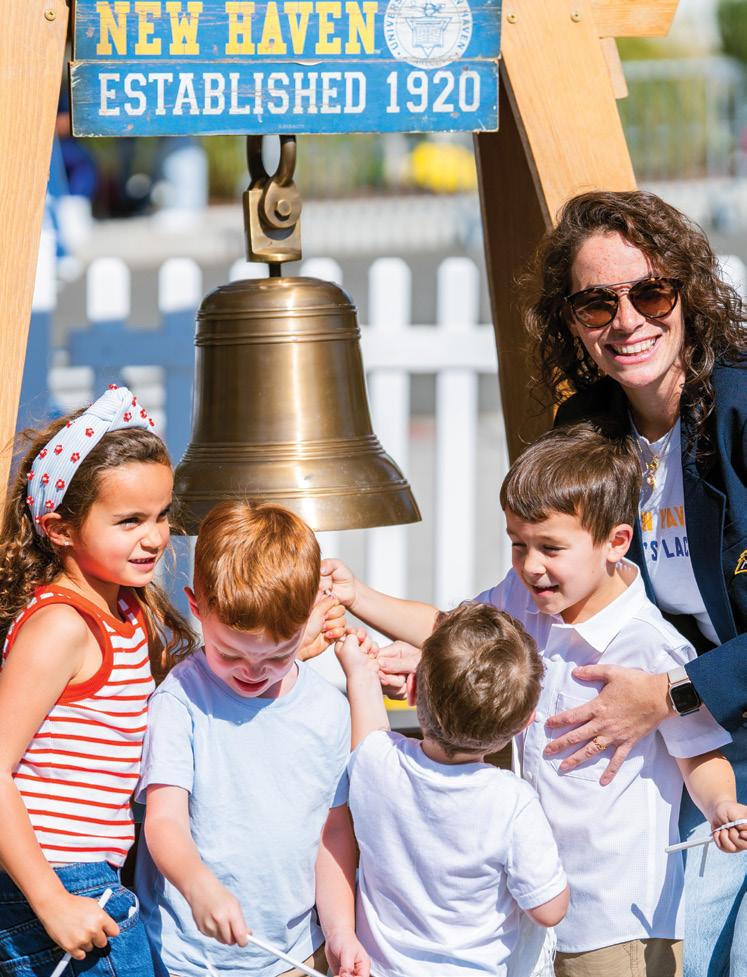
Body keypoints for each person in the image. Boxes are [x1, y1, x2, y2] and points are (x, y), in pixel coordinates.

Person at [322, 425, 747, 977]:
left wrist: (721, 806)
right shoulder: (522, 598)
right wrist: (358, 597)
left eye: (551, 547)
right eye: (518, 544)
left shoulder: (651, 646)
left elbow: (697, 753)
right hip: (525, 908)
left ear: (616, 542)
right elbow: (449, 630)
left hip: (615, 917)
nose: (530, 565)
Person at [521, 189, 747, 977]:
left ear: (687, 293)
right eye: (595, 303)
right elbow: (551, 575)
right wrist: (440, 651)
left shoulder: (742, 409)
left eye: (649, 293)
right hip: (688, 749)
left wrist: (671, 694)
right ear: (571, 322)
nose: (625, 321)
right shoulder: (585, 431)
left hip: (691, 715)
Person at [0, 385, 196, 977]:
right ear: (60, 529)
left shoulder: (126, 610)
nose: (155, 536)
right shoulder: (62, 626)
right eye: (130, 520)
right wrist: (51, 901)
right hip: (55, 880)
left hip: (92, 875)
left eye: (162, 515)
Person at [134, 501, 369, 977]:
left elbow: (333, 833)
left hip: (294, 955)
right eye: (230, 653)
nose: (253, 672)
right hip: (190, 959)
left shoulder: (327, 710)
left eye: (277, 656)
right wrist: (198, 886)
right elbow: (164, 821)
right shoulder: (181, 701)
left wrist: (341, 932)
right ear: (197, 607)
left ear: (308, 617)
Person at [334, 602, 569, 977]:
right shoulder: (512, 802)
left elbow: (369, 729)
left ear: (412, 691)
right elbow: (548, 910)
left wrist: (358, 669)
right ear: (525, 723)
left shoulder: (376, 763)